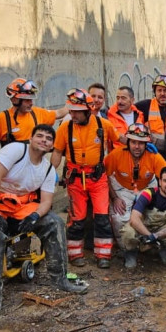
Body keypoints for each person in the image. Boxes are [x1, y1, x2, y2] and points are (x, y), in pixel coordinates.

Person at [0, 124, 88, 316]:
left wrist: (34, 216)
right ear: (30, 139)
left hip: (19, 204)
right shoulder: (16, 150)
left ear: (51, 146)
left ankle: (60, 279)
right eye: (39, 136)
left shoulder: (48, 169)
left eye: (48, 139)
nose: (44, 140)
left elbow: (46, 201)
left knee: (54, 222)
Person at [51, 89, 123, 269]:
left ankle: (103, 254)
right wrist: (49, 173)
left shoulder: (103, 125)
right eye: (71, 110)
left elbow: (119, 139)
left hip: (98, 178)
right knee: (77, 218)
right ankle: (75, 254)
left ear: (88, 110)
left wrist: (140, 142)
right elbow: (57, 152)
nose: (72, 114)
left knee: (102, 217)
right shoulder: (64, 128)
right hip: (75, 180)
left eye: (76, 111)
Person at [104, 124, 166, 251]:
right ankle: (126, 248)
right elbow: (104, 176)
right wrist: (114, 198)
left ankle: (150, 243)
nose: (137, 147)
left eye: (141, 143)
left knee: (155, 213)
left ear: (146, 144)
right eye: (133, 142)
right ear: (128, 142)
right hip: (121, 186)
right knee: (119, 217)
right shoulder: (116, 154)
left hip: (147, 185)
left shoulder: (153, 155)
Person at [0, 78, 69, 167]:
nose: (31, 103)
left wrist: (73, 104)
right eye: (27, 100)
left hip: (33, 170)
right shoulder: (1, 118)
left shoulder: (37, 113)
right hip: (11, 172)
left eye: (31, 99)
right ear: (14, 100)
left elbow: (58, 113)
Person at [121, 167, 166, 268]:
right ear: (160, 182)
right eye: (165, 181)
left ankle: (162, 249)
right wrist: (149, 235)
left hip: (161, 230)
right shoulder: (148, 193)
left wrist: (155, 236)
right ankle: (131, 253)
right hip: (143, 227)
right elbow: (134, 218)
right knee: (128, 232)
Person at [136, 74, 166, 155]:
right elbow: (127, 107)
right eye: (159, 90)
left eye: (165, 90)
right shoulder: (146, 105)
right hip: (153, 152)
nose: (162, 93)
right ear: (155, 92)